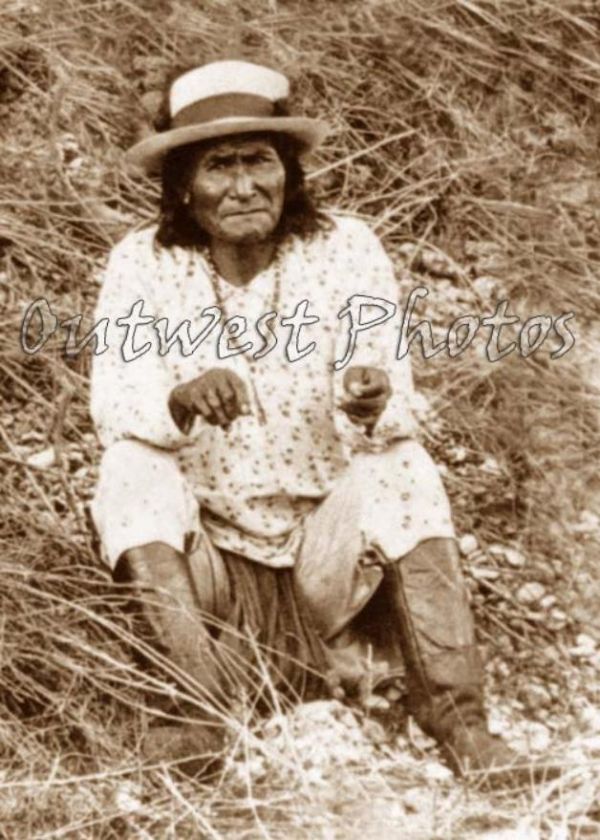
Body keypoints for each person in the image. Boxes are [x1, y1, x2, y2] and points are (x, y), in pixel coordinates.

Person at [90, 59, 556, 785]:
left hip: (323, 557)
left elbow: (397, 395)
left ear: (289, 175)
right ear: (184, 184)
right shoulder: (140, 264)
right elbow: (113, 402)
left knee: (400, 465)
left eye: (260, 162)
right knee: (129, 468)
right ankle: (190, 711)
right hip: (209, 560)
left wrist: (372, 402)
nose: (244, 185)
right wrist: (179, 395)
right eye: (219, 166)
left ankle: (458, 718)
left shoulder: (346, 250)